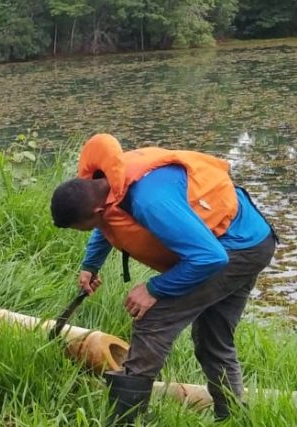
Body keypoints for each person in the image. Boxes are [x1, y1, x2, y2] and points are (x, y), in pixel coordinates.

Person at [50, 133, 276, 425]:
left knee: (154, 318)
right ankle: (233, 418)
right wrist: (90, 265)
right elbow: (108, 222)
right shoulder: (107, 181)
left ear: (95, 210)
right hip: (253, 239)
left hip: (235, 249)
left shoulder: (150, 201)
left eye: (79, 227)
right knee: (212, 339)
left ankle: (123, 420)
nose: (85, 230)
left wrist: (155, 288)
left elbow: (210, 258)